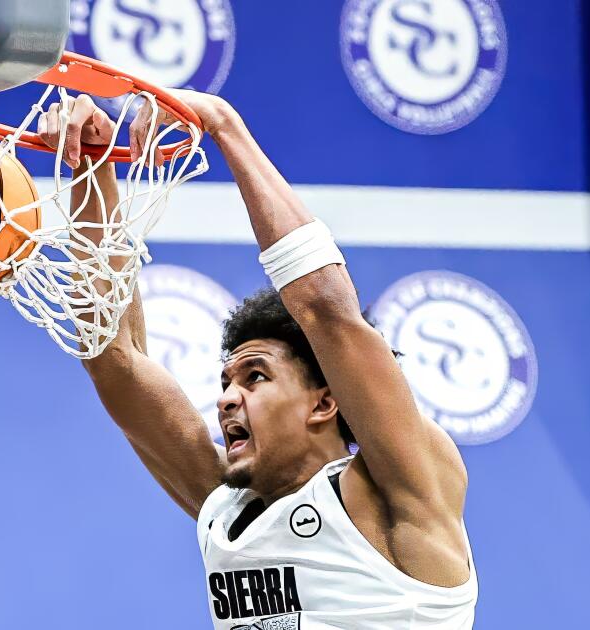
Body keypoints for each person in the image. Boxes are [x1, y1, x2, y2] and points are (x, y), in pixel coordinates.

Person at [37, 92, 476, 629]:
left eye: (256, 376)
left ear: (325, 401)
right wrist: (91, 168)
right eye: (226, 380)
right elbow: (116, 358)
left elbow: (323, 308)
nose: (225, 399)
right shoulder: (225, 508)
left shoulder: (401, 491)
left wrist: (222, 124)